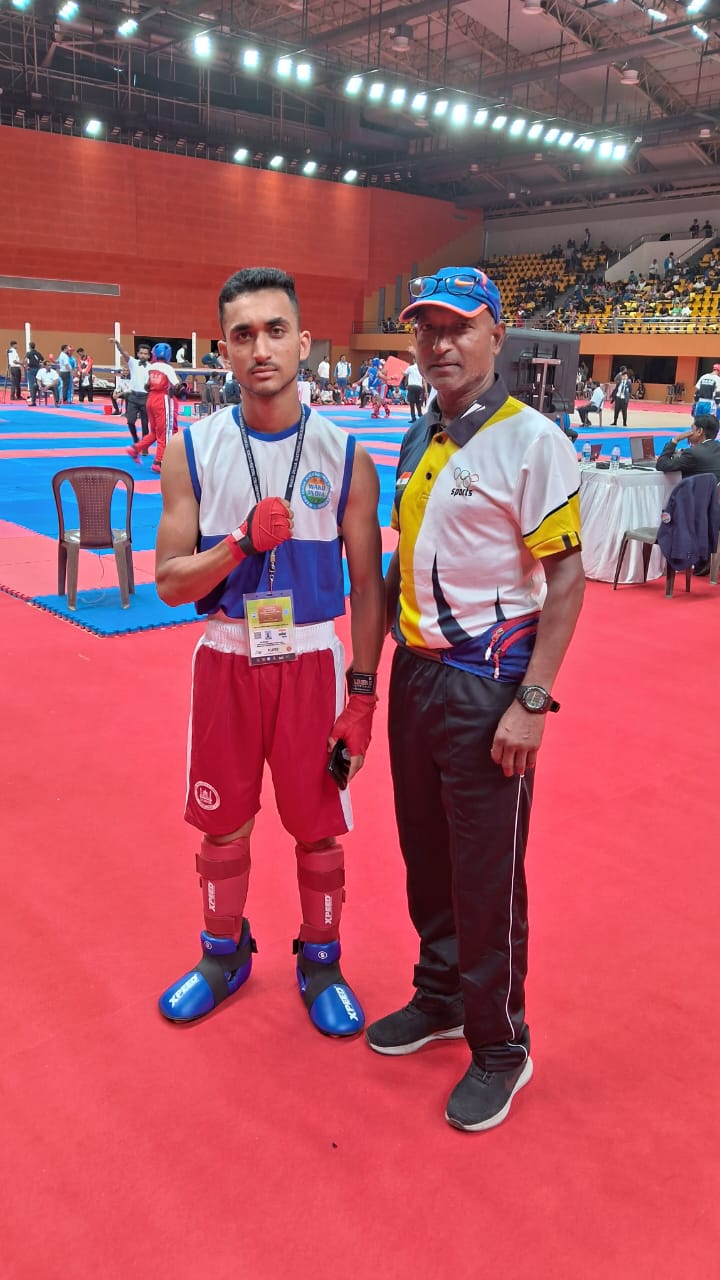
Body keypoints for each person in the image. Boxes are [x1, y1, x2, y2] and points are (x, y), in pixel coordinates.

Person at [365, 266, 584, 1132]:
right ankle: (442, 995)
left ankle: (501, 1045)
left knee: (486, 872)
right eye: (426, 329)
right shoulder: (418, 436)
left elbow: (566, 579)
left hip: (489, 682)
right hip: (416, 675)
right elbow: (404, 558)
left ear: (498, 332)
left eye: (458, 327)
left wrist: (533, 700)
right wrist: (368, 671)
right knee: (426, 854)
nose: (440, 344)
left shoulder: (532, 440)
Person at [154, 266, 384, 1037]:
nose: (261, 349)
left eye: (275, 331)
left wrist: (362, 694)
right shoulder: (191, 450)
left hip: (313, 658)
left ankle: (321, 960)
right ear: (223, 350)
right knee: (223, 823)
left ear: (303, 343)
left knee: (317, 824)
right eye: (244, 334)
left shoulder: (346, 456)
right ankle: (223, 955)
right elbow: (169, 583)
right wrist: (238, 544)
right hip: (225, 653)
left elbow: (367, 587)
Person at [126, 342, 179, 472]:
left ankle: (135, 448)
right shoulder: (168, 368)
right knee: (164, 433)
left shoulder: (152, 367)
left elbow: (146, 386)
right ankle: (158, 462)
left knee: (155, 432)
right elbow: (177, 385)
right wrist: (178, 390)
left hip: (150, 399)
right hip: (162, 400)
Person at [655, 414, 720, 483]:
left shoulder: (692, 453)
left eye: (692, 429)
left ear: (699, 431)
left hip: (697, 489)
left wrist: (675, 440)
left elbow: (662, 465)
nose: (689, 432)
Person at [112, 335, 151, 446]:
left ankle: (144, 446)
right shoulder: (133, 362)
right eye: (141, 353)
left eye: (145, 354)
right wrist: (117, 343)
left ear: (148, 356)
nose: (143, 355)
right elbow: (123, 352)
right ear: (138, 354)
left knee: (145, 424)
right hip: (133, 396)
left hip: (145, 397)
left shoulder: (151, 367)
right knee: (130, 421)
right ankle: (135, 439)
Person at [405, 356, 425, 423]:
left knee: (412, 403)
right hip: (419, 387)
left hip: (412, 386)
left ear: (414, 360)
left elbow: (404, 374)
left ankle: (413, 418)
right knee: (418, 402)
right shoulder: (421, 368)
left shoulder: (410, 367)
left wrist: (401, 371)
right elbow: (424, 378)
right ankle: (420, 416)